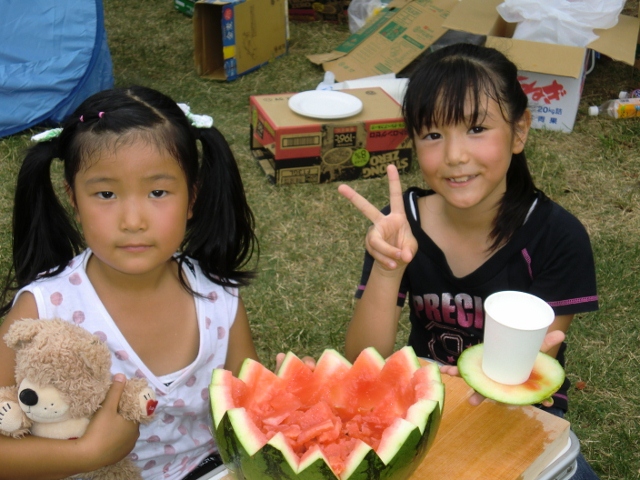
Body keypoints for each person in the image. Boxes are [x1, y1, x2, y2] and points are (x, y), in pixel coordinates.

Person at [338, 43, 600, 479]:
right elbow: (364, 361)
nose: (455, 155)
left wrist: (510, 381)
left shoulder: (557, 237)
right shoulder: (403, 225)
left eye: (477, 128)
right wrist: (388, 268)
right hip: (427, 405)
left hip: (522, 410)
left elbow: (526, 370)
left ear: (519, 131)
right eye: (433, 135)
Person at [0, 86, 259, 480]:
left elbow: (251, 410)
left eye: (158, 192)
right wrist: (86, 454)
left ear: (192, 198)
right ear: (74, 199)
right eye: (106, 194)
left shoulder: (219, 298)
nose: (133, 221)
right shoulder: (42, 307)